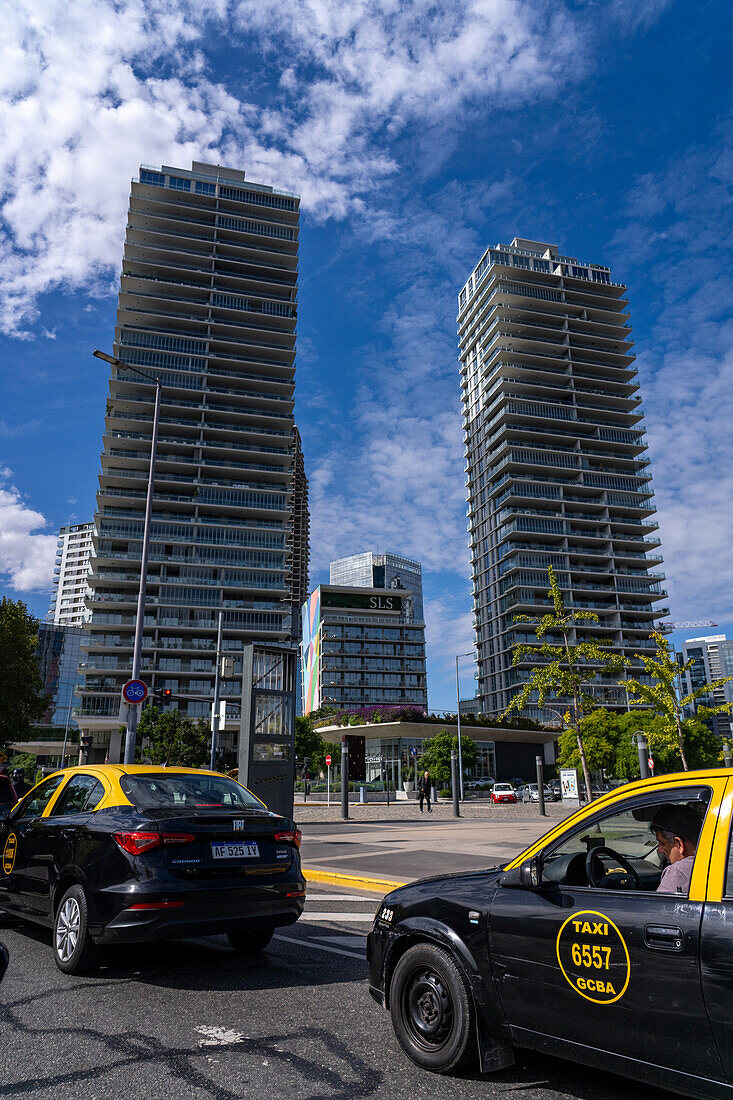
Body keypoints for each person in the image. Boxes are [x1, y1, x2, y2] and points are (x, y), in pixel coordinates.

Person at [651, 804, 704, 895]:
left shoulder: (677, 872)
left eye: (662, 843)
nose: (659, 850)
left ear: (679, 844)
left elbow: (660, 908)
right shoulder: (717, 862)